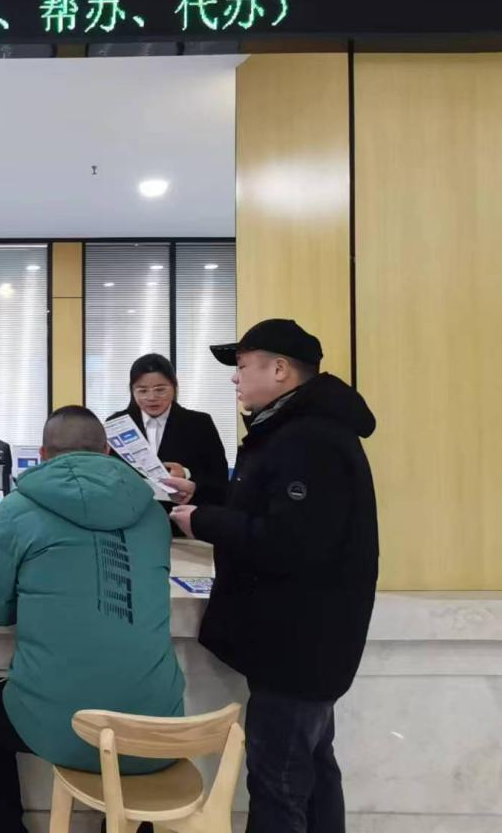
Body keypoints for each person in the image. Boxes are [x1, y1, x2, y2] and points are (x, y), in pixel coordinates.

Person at [167, 319, 378, 833]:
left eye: (242, 366)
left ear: (280, 369)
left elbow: (290, 542)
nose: (234, 378)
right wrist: (203, 497)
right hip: (303, 642)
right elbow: (269, 508)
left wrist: (204, 522)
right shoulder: (292, 430)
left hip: (299, 645)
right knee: (313, 773)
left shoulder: (309, 440)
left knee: (279, 784)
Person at [0, 405, 185, 833]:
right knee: (134, 727)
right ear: (107, 451)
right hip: (155, 731)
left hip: (63, 728)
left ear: (43, 455)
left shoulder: (19, 509)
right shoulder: (153, 513)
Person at [109, 353, 231, 532]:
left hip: (182, 525)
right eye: (142, 390)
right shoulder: (118, 424)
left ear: (174, 386)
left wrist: (186, 474)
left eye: (160, 389)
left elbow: (218, 481)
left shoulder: (199, 423)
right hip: (131, 524)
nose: (151, 397)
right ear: (132, 390)